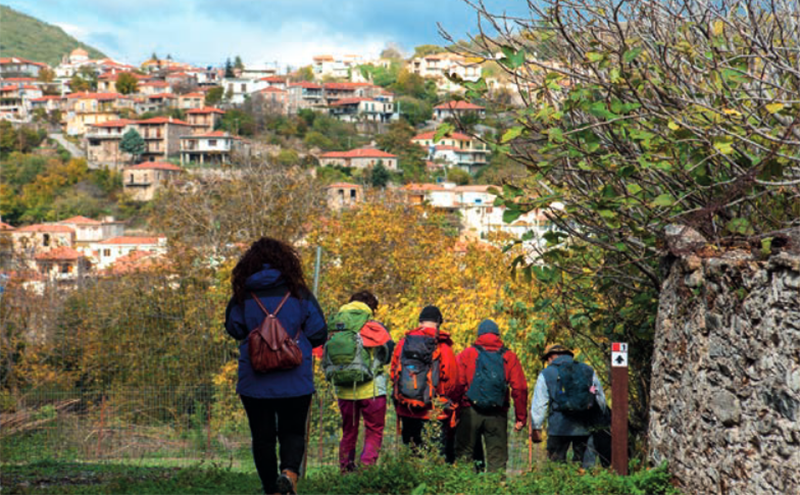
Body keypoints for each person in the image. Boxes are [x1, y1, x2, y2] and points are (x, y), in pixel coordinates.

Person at [224, 237, 327, 495]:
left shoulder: (242, 296)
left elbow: (234, 329)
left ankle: (271, 489)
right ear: (287, 261)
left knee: (263, 438)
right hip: (295, 378)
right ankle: (289, 474)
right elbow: (319, 332)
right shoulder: (300, 293)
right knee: (293, 432)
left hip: (255, 380)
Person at [331, 290, 395, 472]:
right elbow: (388, 353)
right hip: (372, 390)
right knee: (374, 431)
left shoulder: (337, 327)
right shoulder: (375, 327)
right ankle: (366, 470)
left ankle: (345, 471)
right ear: (371, 308)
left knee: (349, 432)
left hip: (344, 389)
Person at [454, 319, 528, 472]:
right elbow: (519, 388)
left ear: (479, 335)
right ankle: (495, 488)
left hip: (469, 411)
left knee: (464, 456)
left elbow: (458, 384)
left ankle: (465, 489)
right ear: (498, 335)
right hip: (497, 414)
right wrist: (521, 417)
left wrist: (455, 411)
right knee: (497, 458)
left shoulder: (467, 354)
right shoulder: (509, 356)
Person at [390, 305, 459, 462]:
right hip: (434, 411)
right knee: (434, 458)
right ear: (438, 323)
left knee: (411, 457)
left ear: (420, 322)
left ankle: (409, 485)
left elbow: (393, 373)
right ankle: (434, 485)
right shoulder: (443, 346)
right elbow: (451, 380)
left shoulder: (403, 343)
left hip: (407, 409)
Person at [530, 343, 607, 465]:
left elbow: (540, 404)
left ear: (551, 357)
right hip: (584, 425)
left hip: (558, 427)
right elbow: (598, 395)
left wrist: (536, 427)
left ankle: (558, 483)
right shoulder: (587, 370)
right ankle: (583, 481)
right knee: (582, 465)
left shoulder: (546, 374)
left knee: (556, 466)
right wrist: (600, 417)